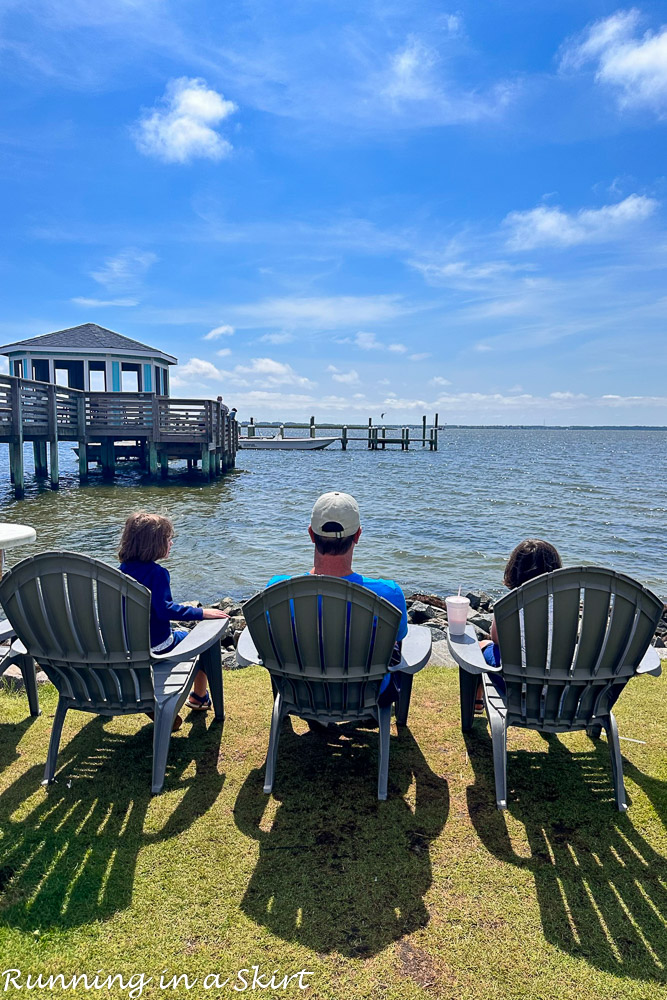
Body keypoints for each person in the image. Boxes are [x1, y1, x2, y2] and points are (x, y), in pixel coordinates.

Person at [267, 491, 408, 715]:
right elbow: (399, 638)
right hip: (365, 694)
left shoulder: (277, 589)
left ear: (311, 535)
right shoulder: (388, 593)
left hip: (301, 692)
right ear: (358, 535)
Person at [118, 512, 228, 714]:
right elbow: (165, 610)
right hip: (157, 647)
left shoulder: (120, 571)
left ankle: (197, 698)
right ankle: (199, 697)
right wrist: (201, 612)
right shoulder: (157, 574)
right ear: (154, 544)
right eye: (168, 539)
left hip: (126, 646)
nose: (171, 544)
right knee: (201, 642)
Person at [477, 538, 562, 708]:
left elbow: (496, 640)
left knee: (483, 645)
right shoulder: (564, 605)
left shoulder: (509, 604)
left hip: (515, 683)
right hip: (556, 685)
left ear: (514, 570)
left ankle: (477, 702)